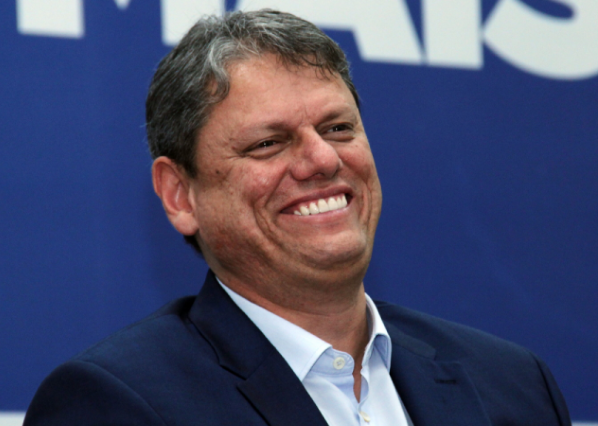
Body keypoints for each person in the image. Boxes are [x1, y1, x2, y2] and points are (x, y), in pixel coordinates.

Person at [24, 9, 571, 426]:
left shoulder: (515, 385)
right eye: (268, 142)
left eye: (338, 128)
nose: (323, 159)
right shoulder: (113, 402)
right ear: (180, 195)